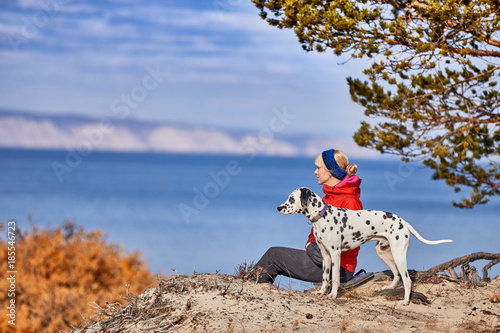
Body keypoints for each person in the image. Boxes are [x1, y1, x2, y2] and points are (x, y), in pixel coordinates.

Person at [252, 148, 363, 285]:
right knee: (273, 255)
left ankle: (248, 288)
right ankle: (256, 289)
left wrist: (325, 251)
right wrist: (310, 245)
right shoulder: (327, 199)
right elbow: (315, 232)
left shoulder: (350, 201)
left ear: (330, 171)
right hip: (323, 261)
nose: (315, 172)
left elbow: (354, 239)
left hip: (339, 268)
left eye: (318, 168)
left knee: (273, 256)